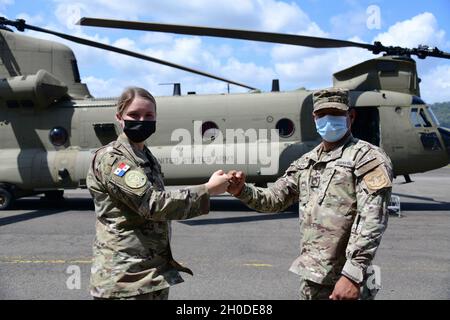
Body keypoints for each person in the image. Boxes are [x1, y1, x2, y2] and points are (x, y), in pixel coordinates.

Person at [227, 88, 393, 300]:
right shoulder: (306, 163)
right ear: (314, 118)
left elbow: (372, 220)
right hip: (312, 278)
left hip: (347, 282)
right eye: (322, 115)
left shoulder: (367, 158)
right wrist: (242, 190)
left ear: (350, 116)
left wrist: (352, 275)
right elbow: (274, 200)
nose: (328, 120)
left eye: (335, 114)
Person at [86, 87, 230, 300]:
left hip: (150, 275)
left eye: (149, 115)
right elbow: (151, 204)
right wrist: (207, 189)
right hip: (125, 280)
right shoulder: (114, 159)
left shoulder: (144, 156)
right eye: (134, 115)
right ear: (119, 117)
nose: (142, 120)